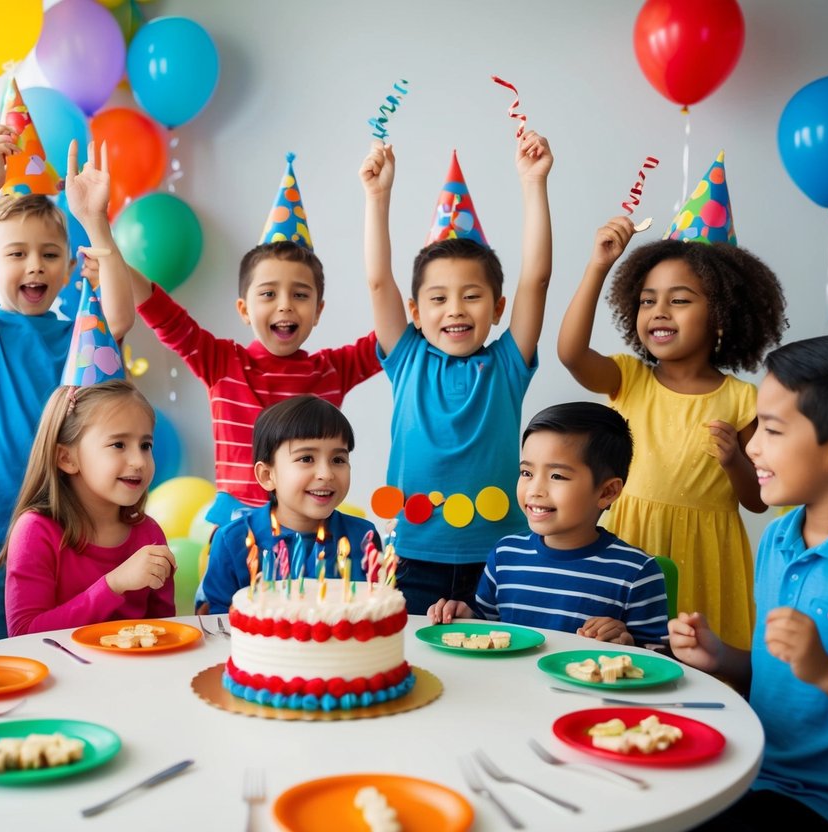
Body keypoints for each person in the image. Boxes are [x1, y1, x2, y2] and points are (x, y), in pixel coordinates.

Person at [669, 335, 828, 831]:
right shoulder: (779, 538)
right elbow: (781, 675)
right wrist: (722, 657)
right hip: (754, 775)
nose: (751, 446)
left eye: (771, 430)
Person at [556, 156, 787, 649]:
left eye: (680, 300)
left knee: (691, 663)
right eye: (646, 300)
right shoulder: (629, 378)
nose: (659, 311)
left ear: (722, 315)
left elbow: (757, 499)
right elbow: (570, 353)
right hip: (625, 542)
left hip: (703, 556)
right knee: (613, 657)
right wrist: (600, 265)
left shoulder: (743, 399)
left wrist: (733, 462)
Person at [0, 125, 134, 647]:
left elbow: (119, 317)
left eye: (50, 254)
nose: (35, 265)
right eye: (16, 254)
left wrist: (96, 222)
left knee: (56, 654)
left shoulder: (77, 335)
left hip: (62, 530)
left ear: (70, 267)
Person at [131, 154, 382, 526]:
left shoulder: (333, 369)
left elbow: (393, 338)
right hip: (237, 535)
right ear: (244, 309)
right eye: (268, 294)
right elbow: (162, 313)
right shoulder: (221, 361)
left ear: (319, 310)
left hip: (309, 535)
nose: (285, 306)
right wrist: (106, 246)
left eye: (300, 295)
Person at [360, 131, 552, 614]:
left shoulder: (507, 365)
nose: (455, 309)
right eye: (438, 298)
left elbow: (537, 279)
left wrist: (534, 184)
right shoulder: (407, 358)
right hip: (410, 557)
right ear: (415, 311)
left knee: (496, 665)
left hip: (500, 558)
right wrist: (377, 197)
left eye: (471, 295)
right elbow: (378, 279)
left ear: (497, 307)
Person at [427, 402, 669, 645]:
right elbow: (489, 628)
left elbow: (658, 661)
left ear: (607, 491)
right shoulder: (505, 554)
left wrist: (627, 643)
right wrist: (465, 617)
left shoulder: (638, 573)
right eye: (526, 473)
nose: (534, 490)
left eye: (557, 476)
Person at [3, 380, 176, 635]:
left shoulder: (149, 534)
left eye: (145, 445)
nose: (139, 461)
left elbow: (164, 632)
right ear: (67, 458)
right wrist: (113, 585)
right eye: (118, 444)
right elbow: (24, 633)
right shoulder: (35, 531)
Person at [201, 395, 381, 614]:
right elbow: (219, 622)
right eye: (306, 458)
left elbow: (377, 609)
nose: (326, 474)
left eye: (338, 460)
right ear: (267, 475)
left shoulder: (363, 538)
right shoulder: (233, 541)